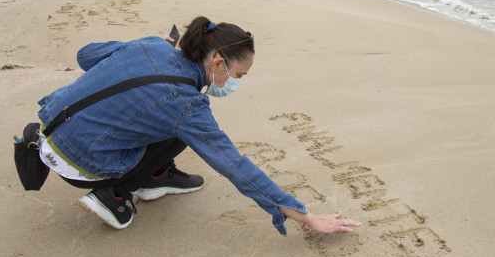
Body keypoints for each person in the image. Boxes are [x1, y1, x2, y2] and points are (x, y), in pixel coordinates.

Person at [37, 16, 360, 236]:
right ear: (218, 62)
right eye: (237, 76)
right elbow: (233, 164)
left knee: (166, 124)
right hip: (81, 164)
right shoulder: (187, 105)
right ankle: (112, 193)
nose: (233, 83)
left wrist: (139, 45)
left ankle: (153, 179)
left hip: (48, 129)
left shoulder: (151, 44)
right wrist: (306, 216)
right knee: (184, 131)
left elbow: (85, 56)